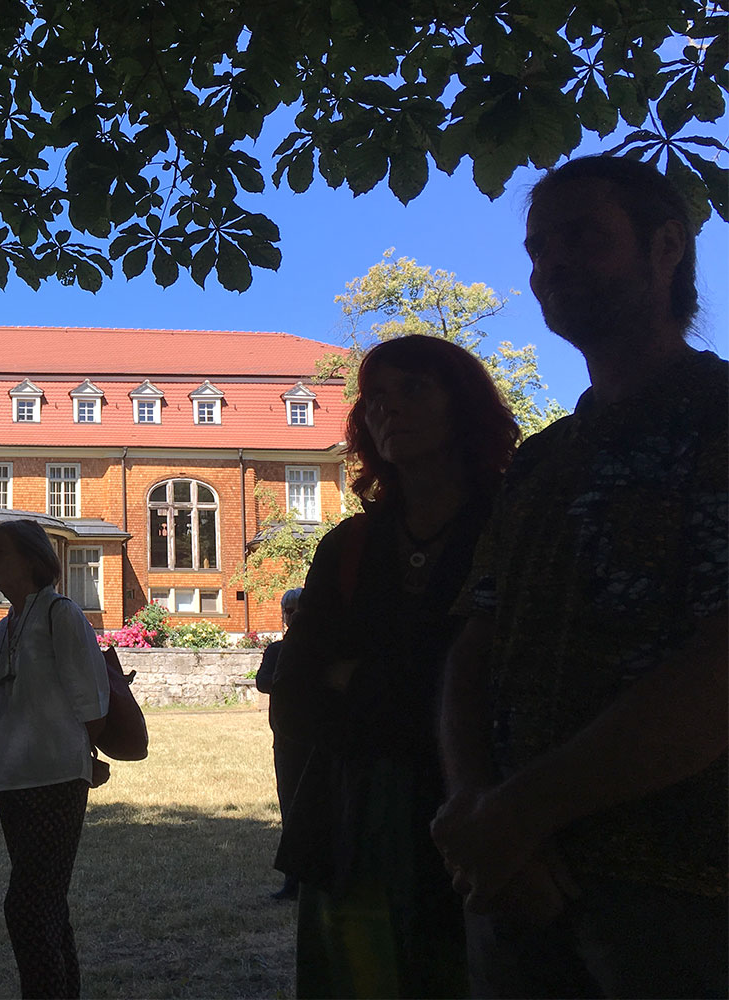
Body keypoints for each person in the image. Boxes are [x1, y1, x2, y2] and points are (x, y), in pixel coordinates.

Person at [433, 154, 728, 998]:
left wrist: (517, 814)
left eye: (581, 239)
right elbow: (477, 639)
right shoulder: (543, 460)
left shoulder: (720, 423)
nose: (548, 267)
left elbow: (719, 670)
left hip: (687, 890)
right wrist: (474, 806)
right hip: (517, 884)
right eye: (536, 250)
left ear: (666, 245)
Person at [270, 334, 520, 997]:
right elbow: (293, 698)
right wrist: (420, 681)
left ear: (461, 405)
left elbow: (519, 680)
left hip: (484, 813)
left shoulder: (516, 524)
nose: (389, 410)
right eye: (376, 397)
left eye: (414, 389)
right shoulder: (349, 545)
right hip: (354, 824)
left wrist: (360, 681)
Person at [0, 519, 111, 1000]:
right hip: (14, 783)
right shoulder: (4, 629)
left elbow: (93, 702)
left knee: (27, 909)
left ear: (34, 560)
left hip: (56, 779)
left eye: (2, 553)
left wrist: (80, 754)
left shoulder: (62, 614)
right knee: (48, 907)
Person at [254, 588, 304, 901]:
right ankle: (293, 881)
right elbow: (263, 682)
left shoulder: (322, 648)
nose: (294, 616)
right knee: (290, 811)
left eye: (299, 609)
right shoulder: (275, 651)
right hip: (286, 743)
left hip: (318, 744)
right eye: (289, 611)